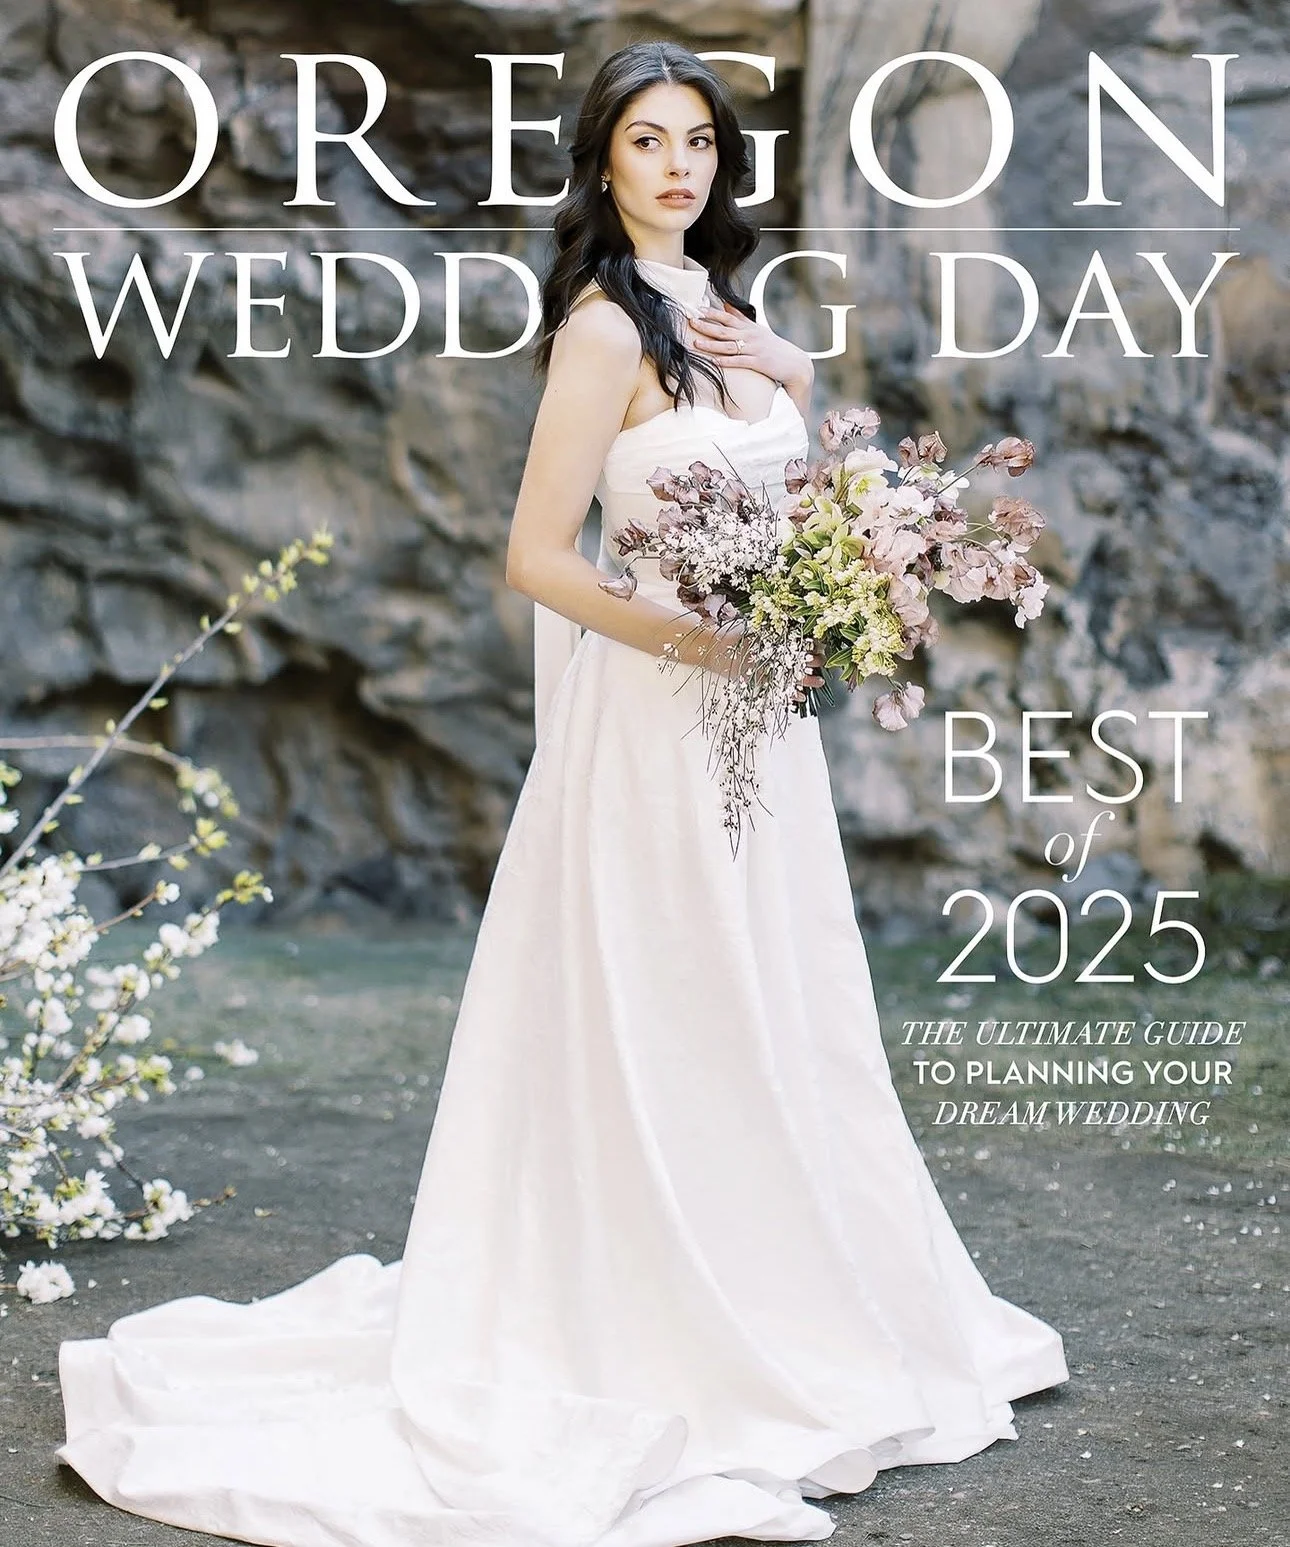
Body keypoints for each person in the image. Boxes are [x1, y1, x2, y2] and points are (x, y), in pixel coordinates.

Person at [55, 40, 1069, 1547]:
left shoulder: (726, 309)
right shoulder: (601, 330)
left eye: (700, 146)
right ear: (602, 164)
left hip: (760, 726)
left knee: (777, 997)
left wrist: (834, 508)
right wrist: (706, 638)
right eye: (648, 143)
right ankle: (655, 1307)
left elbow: (784, 495)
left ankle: (795, 1282)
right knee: (674, 994)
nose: (678, 167)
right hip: (662, 715)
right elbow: (537, 559)